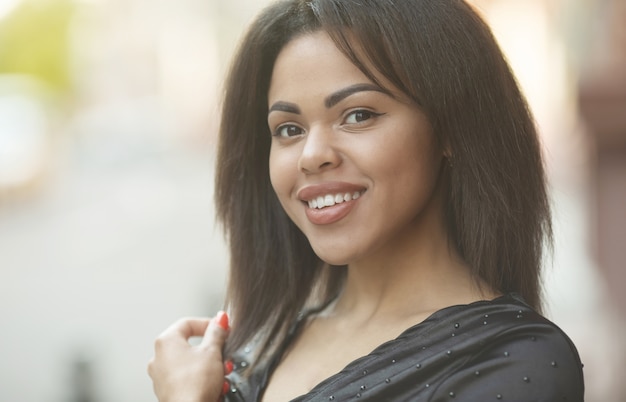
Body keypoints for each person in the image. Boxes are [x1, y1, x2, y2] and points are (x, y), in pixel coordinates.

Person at [148, 0, 585, 401]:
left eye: (358, 115)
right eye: (288, 129)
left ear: (449, 129)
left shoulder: (514, 361)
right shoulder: (259, 348)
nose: (312, 155)